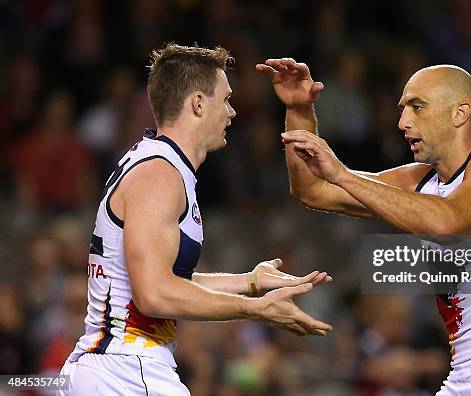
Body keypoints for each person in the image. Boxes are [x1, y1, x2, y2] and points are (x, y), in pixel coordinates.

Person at [257, 58, 471, 395]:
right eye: (402, 107)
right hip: (466, 373)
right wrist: (298, 109)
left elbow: (449, 222)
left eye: (417, 107)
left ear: (459, 113)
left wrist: (344, 175)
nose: (402, 121)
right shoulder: (420, 179)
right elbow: (313, 190)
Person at [59, 44, 332, 395]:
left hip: (118, 368)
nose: (232, 112)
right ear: (199, 103)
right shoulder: (159, 176)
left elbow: (164, 280)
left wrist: (250, 281)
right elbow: (154, 295)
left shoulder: (159, 165)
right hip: (125, 371)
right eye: (226, 99)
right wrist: (255, 309)